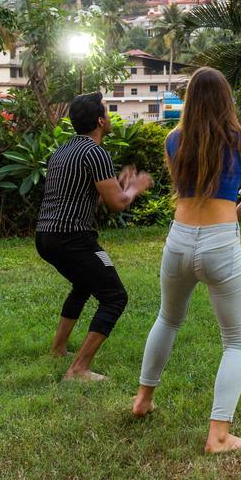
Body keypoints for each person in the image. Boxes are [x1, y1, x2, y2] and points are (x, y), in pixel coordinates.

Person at [133, 67, 241, 454]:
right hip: (220, 242)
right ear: (226, 99)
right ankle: (218, 436)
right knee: (236, 342)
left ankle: (142, 400)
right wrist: (225, 224)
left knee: (167, 319)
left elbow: (181, 189)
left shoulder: (173, 140)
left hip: (179, 239)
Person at [35, 92, 154, 381]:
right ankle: (79, 369)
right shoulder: (96, 152)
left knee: (83, 284)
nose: (110, 116)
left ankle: (58, 349)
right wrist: (135, 188)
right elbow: (117, 204)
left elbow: (91, 197)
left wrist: (119, 186)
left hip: (46, 237)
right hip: (73, 238)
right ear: (100, 121)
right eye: (107, 112)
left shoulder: (63, 151)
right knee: (115, 296)